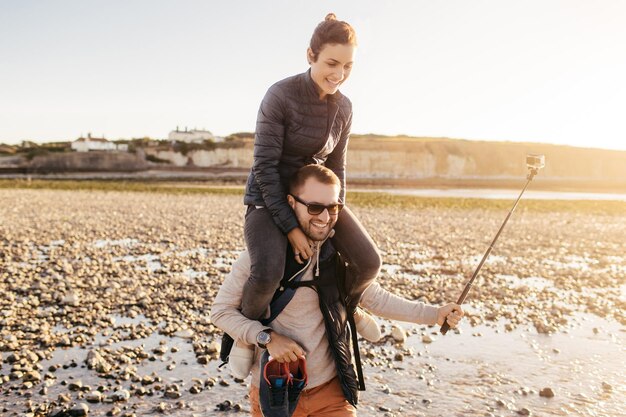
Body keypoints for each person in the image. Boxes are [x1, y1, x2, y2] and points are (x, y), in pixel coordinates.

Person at [212, 165, 464, 417]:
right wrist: (267, 338)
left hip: (332, 392)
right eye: (314, 207)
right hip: (277, 394)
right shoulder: (262, 259)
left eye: (333, 208)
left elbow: (375, 297)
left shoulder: (339, 256)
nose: (324, 217)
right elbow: (221, 312)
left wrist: (435, 314)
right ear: (290, 203)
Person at [241, 13, 380, 323]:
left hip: (317, 200)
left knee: (369, 262)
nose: (340, 74)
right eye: (332, 64)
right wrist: (291, 227)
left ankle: (346, 309)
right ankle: (245, 334)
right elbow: (264, 167)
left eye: (348, 66)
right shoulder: (280, 95)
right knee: (267, 274)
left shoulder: (344, 107)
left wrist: (334, 211)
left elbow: (336, 167)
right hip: (267, 198)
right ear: (310, 55)